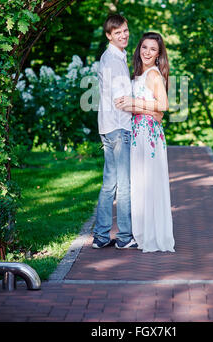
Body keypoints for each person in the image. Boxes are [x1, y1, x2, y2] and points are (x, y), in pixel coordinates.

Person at [92, 15, 163, 250]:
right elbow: (121, 101)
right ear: (108, 36)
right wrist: (145, 105)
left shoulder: (115, 57)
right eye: (118, 32)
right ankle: (123, 237)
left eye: (125, 31)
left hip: (109, 126)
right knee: (123, 184)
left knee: (109, 183)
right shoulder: (113, 60)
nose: (123, 35)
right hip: (119, 127)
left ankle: (101, 237)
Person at [115, 32, 175, 253]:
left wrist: (133, 102)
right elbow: (152, 110)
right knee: (140, 184)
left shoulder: (153, 75)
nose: (147, 52)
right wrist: (132, 106)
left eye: (152, 49)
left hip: (148, 135)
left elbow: (163, 107)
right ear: (139, 49)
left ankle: (152, 235)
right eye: (144, 47)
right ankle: (142, 233)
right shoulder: (138, 74)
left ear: (159, 55)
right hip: (138, 131)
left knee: (150, 184)